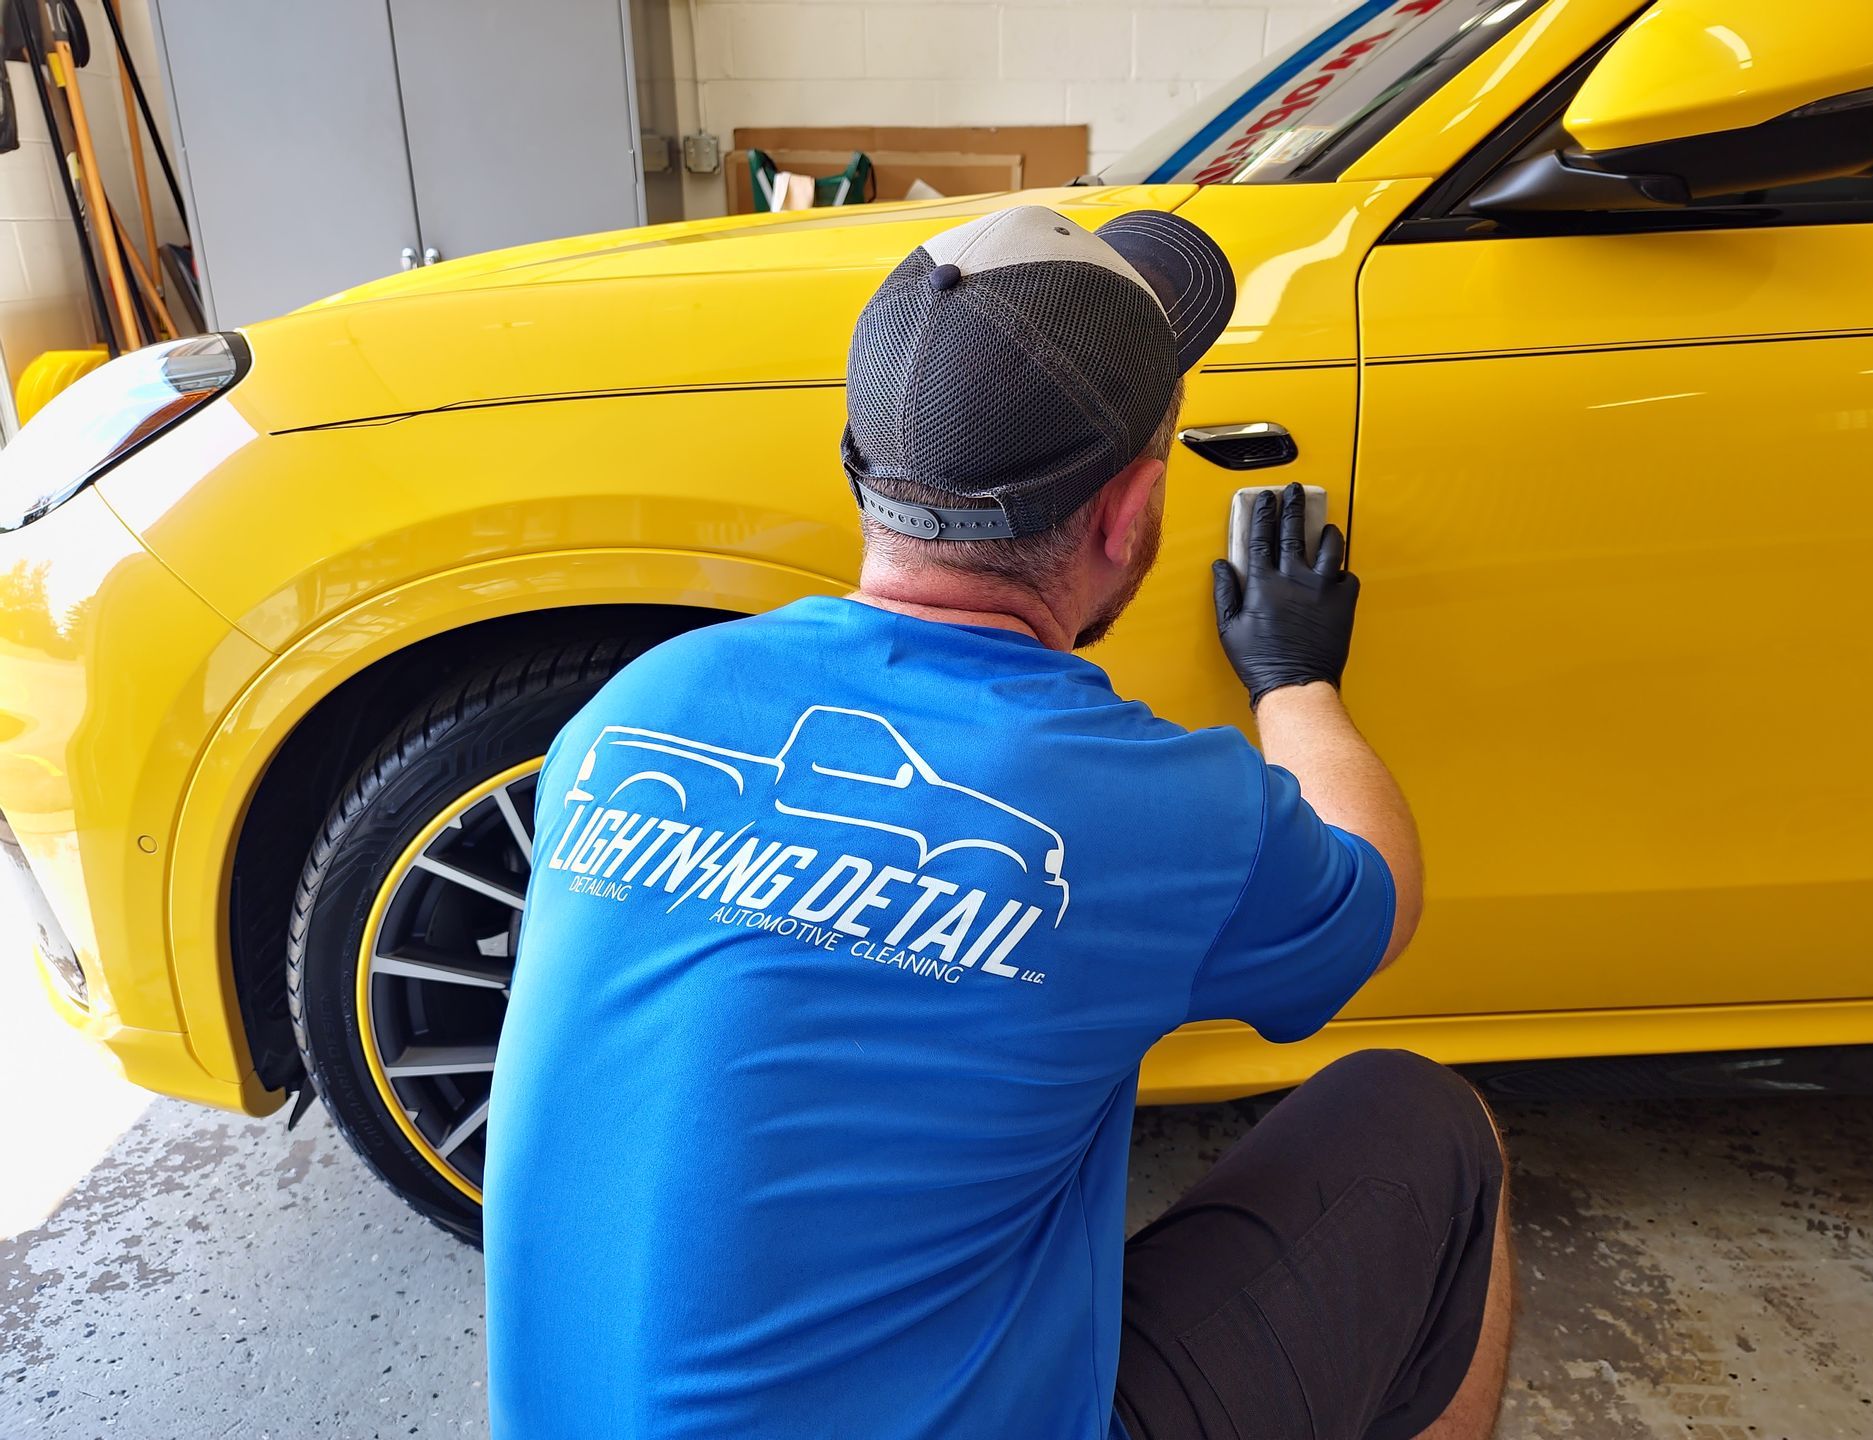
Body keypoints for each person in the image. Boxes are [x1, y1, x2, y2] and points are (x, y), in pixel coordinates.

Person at [485, 204, 1511, 1440]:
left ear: (864, 466)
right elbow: (1378, 896)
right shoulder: (1145, 808)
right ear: (1129, 513)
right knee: (1431, 1130)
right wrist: (1294, 679)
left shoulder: (637, 708)